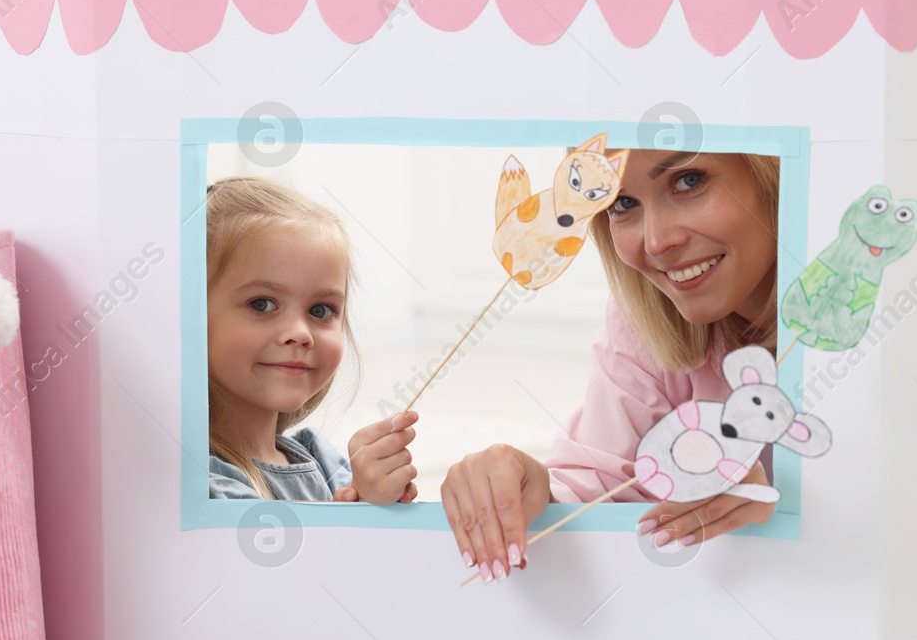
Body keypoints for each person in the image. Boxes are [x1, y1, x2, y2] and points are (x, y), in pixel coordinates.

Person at [442, 149, 781, 582]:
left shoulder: (868, 324)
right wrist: (536, 489)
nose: (657, 242)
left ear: (769, 172)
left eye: (689, 180)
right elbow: (603, 488)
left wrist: (784, 501)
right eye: (622, 204)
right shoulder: (645, 318)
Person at [205, 176, 417, 504]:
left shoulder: (325, 462)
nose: (301, 334)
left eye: (320, 310)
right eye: (262, 304)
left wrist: (375, 504)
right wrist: (357, 514)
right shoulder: (206, 485)